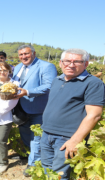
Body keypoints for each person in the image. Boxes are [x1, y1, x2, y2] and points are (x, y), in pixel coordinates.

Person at [41, 49, 105, 179]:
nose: (71, 65)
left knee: (59, 175)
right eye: (67, 61)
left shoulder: (93, 83)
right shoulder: (57, 80)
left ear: (86, 64)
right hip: (46, 133)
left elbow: (94, 115)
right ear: (60, 63)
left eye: (77, 61)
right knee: (46, 170)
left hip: (66, 138)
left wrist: (75, 140)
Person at [12, 45, 57, 176]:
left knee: (36, 137)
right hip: (21, 108)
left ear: (33, 53)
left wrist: (28, 92)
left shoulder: (46, 66)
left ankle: (32, 164)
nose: (23, 57)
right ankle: (30, 155)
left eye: (26, 54)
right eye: (21, 54)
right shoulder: (18, 67)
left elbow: (49, 86)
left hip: (39, 108)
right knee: (25, 133)